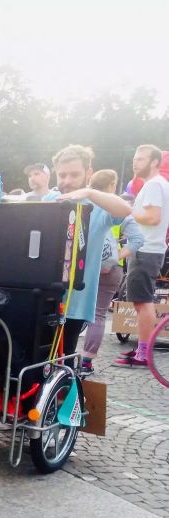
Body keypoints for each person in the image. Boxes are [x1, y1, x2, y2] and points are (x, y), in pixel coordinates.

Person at [44, 145, 132, 355]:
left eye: (74, 174)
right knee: (39, 359)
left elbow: (126, 209)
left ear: (88, 173)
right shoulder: (50, 200)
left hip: (76, 303)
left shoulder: (98, 206)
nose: (67, 181)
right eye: (62, 174)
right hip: (46, 297)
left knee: (64, 360)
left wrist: (90, 192)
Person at [78, 171, 144, 375]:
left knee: (73, 313)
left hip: (84, 267)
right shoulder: (117, 208)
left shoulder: (85, 204)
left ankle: (66, 356)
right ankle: (87, 362)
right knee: (98, 315)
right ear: (112, 185)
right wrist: (117, 256)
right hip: (110, 270)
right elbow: (138, 240)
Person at [116, 144, 169, 366]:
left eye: (140, 159)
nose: (135, 162)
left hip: (146, 250)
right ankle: (142, 350)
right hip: (148, 249)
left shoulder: (155, 185)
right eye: (135, 158)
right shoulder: (156, 185)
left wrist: (127, 211)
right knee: (141, 302)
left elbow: (153, 217)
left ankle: (143, 353)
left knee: (142, 302)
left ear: (154, 162)